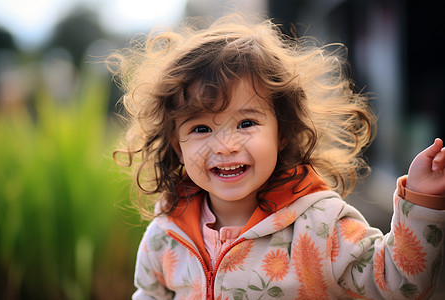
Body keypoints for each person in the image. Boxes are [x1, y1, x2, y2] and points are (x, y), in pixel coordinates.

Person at [109, 14, 445, 299]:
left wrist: (423, 201)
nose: (225, 145)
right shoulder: (166, 234)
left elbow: (400, 284)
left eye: (246, 123)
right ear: (176, 143)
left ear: (282, 133)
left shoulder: (321, 226)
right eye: (201, 128)